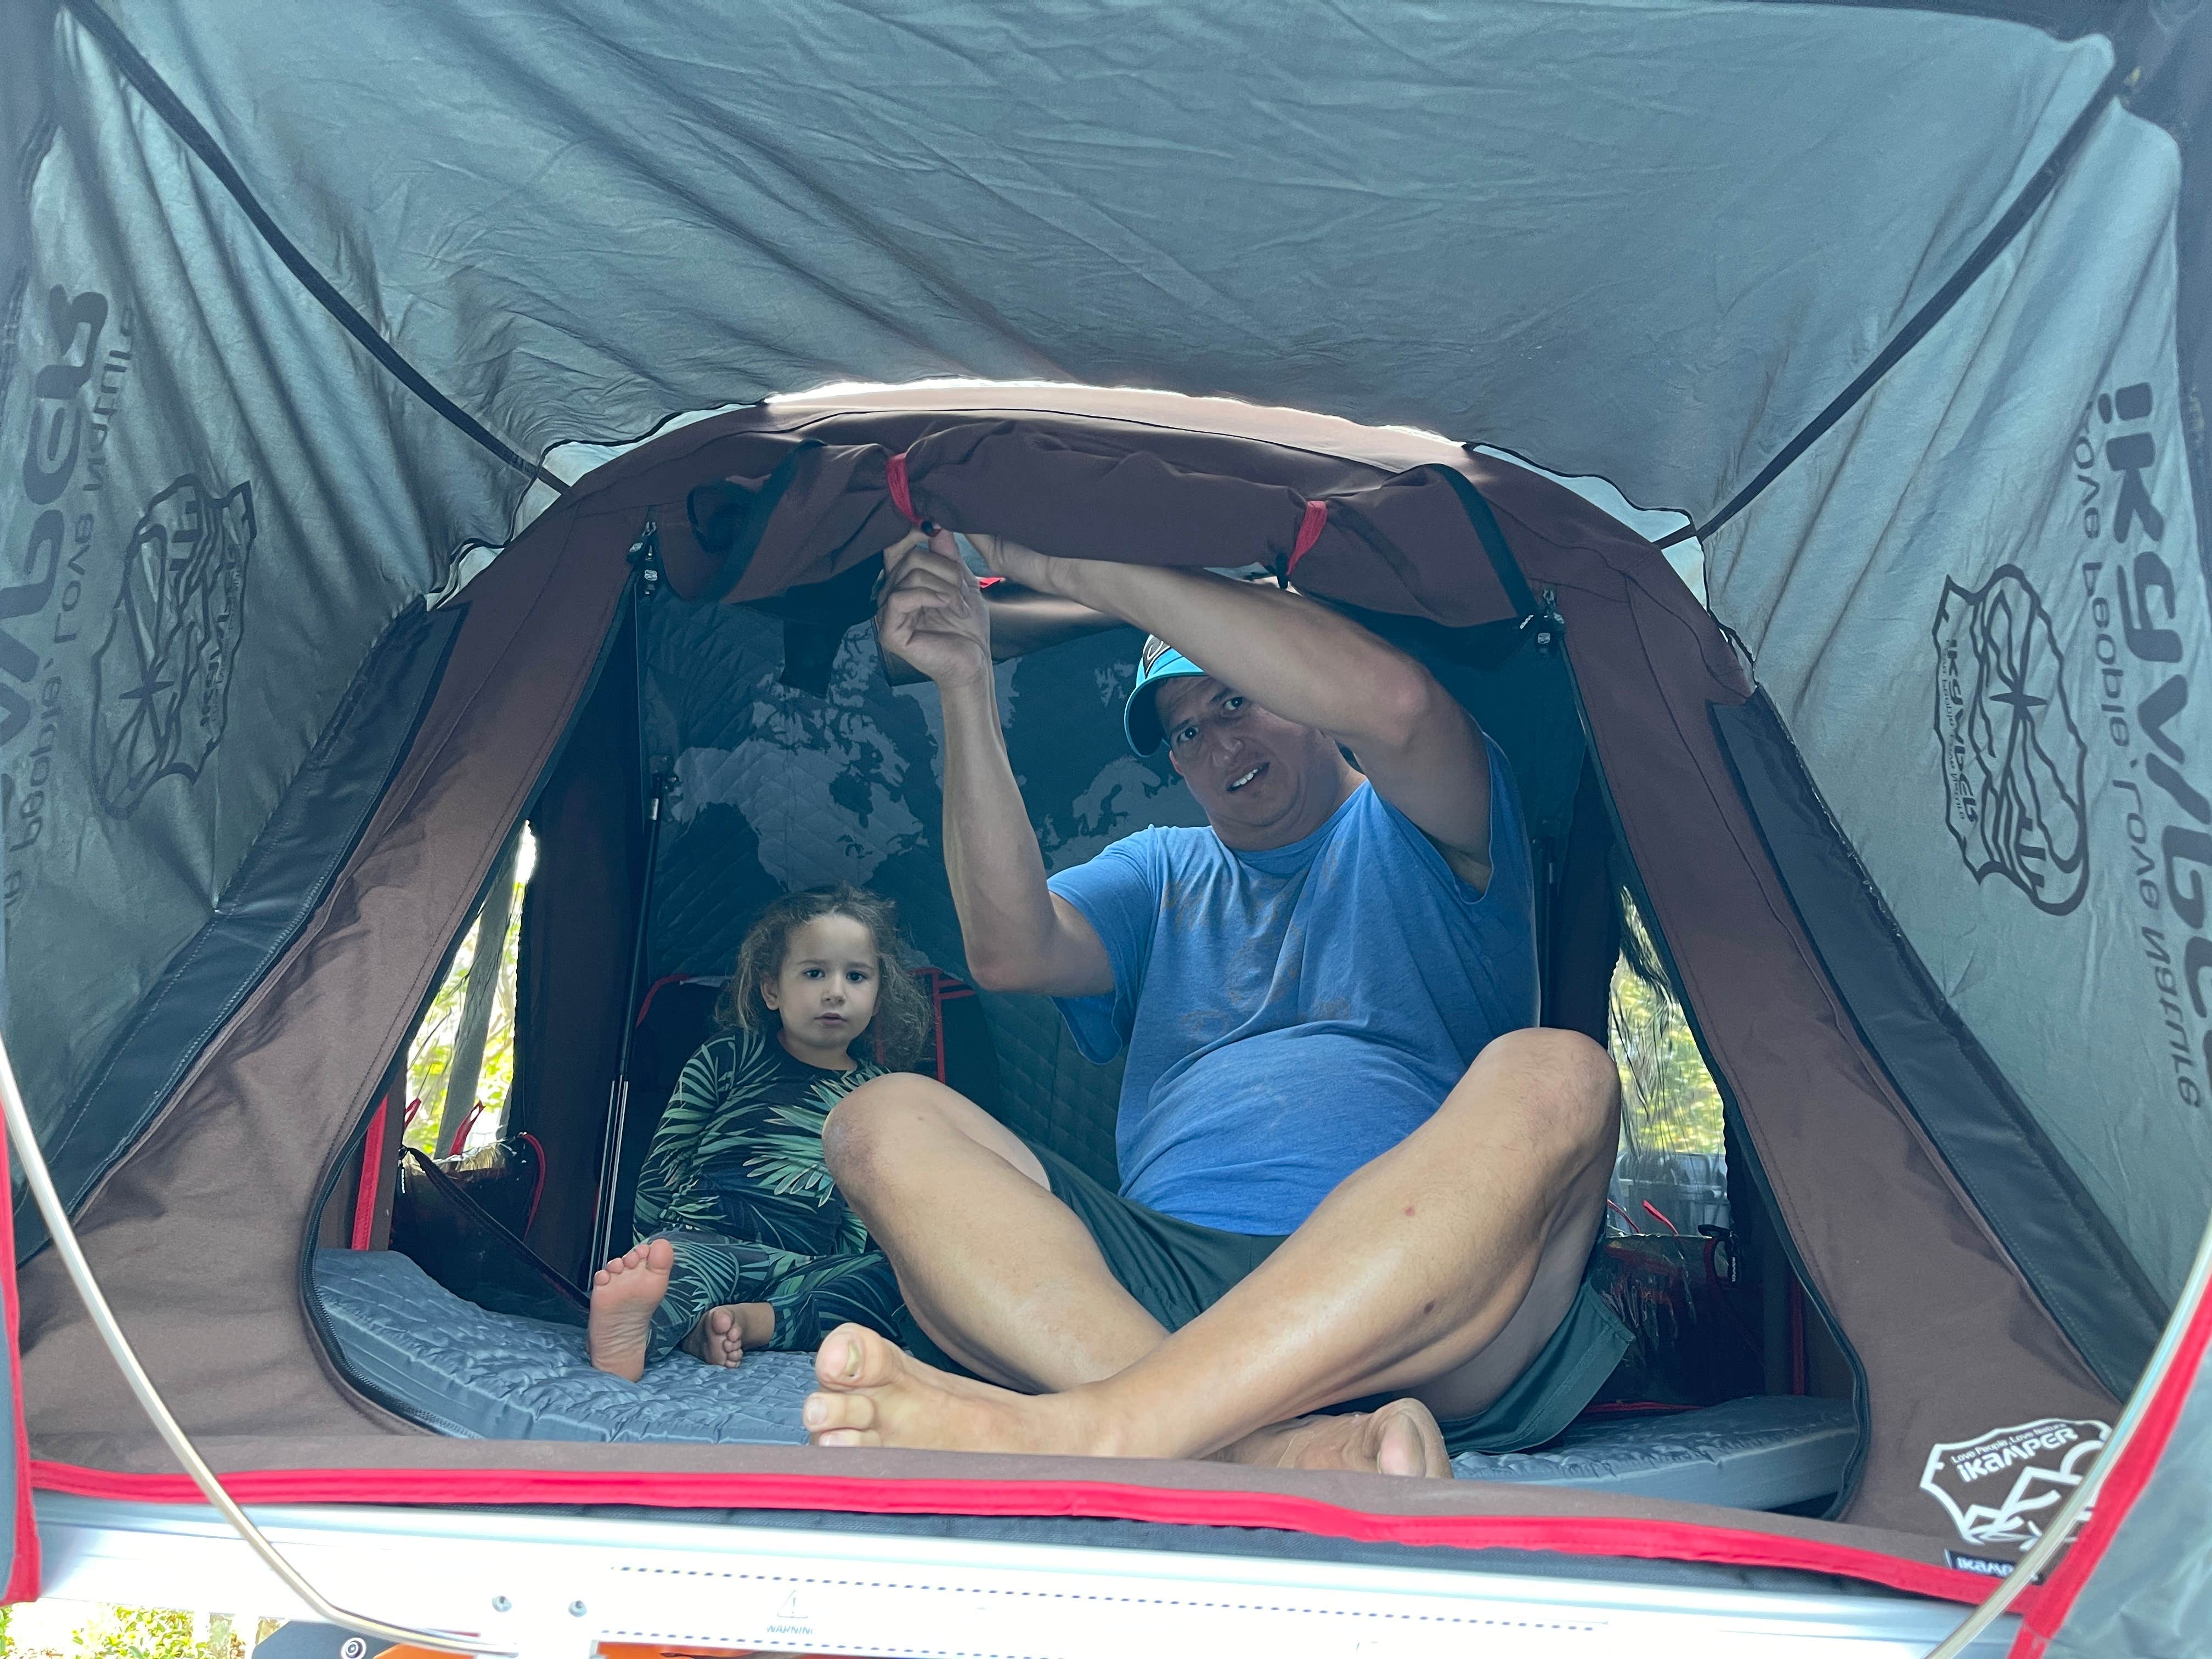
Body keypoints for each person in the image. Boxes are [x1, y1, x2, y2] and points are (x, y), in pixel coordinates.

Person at [797, 527, 1629, 1476]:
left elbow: (1396, 704)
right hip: (1152, 1292)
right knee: (877, 1119)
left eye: (1234, 698)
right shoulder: (1159, 869)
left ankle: (1105, 1429)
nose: (1213, 741)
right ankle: (1273, 1447)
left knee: (1560, 1071)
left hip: (1429, 1294)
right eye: (1184, 731)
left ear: (1308, 697)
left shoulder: (1428, 819)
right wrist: (962, 683)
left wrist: (1061, 559)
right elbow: (1007, 948)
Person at [584, 884, 930, 1382]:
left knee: (901, 1287)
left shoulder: (882, 1093)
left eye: (856, 976)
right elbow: (667, 1157)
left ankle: (745, 1325)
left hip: (805, 1265)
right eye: (814, 973)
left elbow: (868, 1199)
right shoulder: (731, 1056)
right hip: (704, 1237)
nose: (836, 991)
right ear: (772, 990)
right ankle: (635, 1331)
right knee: (677, 1274)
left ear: (878, 998)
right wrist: (648, 1251)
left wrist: (842, 1265)